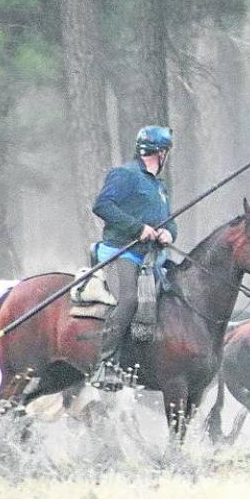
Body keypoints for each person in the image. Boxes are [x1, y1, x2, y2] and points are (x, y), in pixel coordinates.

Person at [89, 125, 176, 390]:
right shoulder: (124, 175)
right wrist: (138, 229)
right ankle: (106, 365)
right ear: (160, 152)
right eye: (167, 151)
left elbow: (169, 222)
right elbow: (102, 205)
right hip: (120, 252)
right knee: (129, 299)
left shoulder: (159, 187)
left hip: (152, 258)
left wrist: (168, 234)